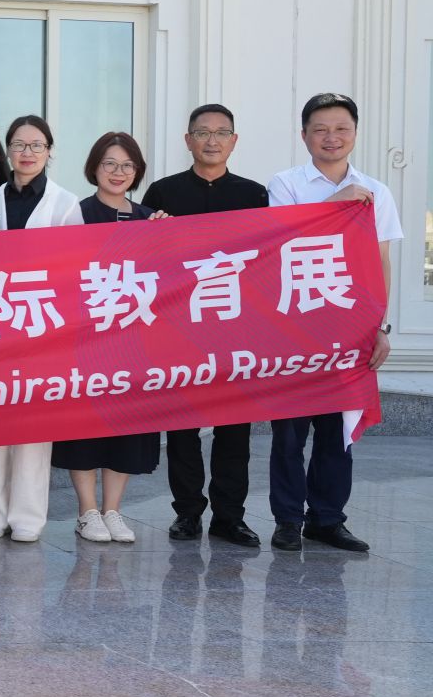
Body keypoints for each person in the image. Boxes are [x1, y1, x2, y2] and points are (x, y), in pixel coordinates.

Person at [264, 93, 402, 553]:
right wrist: (336, 204)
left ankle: (327, 519)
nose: (331, 137)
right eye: (320, 129)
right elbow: (280, 242)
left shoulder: (377, 191)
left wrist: (380, 326)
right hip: (294, 329)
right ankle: (288, 519)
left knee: (337, 430)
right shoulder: (285, 184)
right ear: (304, 135)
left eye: (341, 128)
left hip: (351, 328)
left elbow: (381, 261)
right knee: (289, 432)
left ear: (355, 133)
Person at [142, 104, 269, 547]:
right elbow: (145, 260)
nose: (212, 141)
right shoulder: (163, 192)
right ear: (188, 140)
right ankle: (188, 513)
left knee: (235, 428)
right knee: (182, 427)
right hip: (181, 328)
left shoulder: (255, 195)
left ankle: (230, 517)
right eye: (202, 132)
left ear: (234, 141)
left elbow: (269, 259)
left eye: (221, 133)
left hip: (236, 328)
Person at [0, 115, 83, 543]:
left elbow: (73, 270)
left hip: (42, 327)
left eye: (37, 145)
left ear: (49, 151)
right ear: (8, 151)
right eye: (19, 144)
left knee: (34, 426)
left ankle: (28, 518)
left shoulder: (65, 204)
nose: (27, 152)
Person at [52, 131, 167, 545]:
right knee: (84, 426)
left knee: (126, 427)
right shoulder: (76, 214)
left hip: (135, 342)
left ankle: (113, 510)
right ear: (94, 168)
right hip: (86, 340)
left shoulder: (151, 219)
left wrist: (166, 237)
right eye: (110, 164)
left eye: (127, 165)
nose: (118, 173)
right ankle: (87, 511)